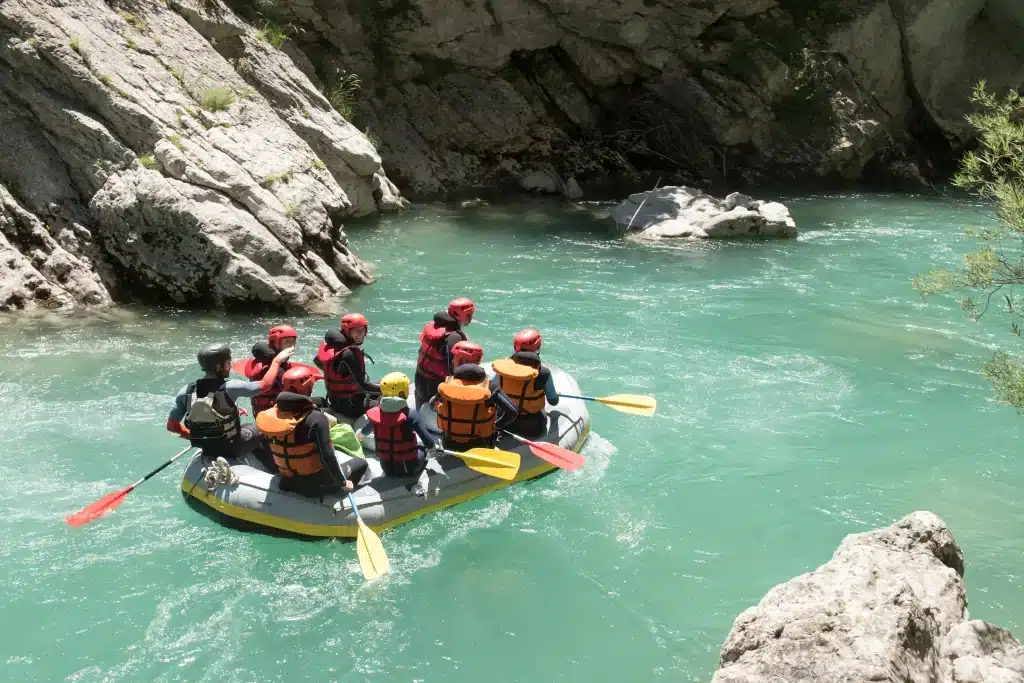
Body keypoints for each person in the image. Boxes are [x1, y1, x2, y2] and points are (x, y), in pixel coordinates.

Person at [166, 342, 294, 461]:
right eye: (228, 362)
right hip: (231, 446)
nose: (230, 366)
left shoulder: (186, 390)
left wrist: (192, 436)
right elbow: (265, 385)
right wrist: (277, 361)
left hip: (204, 446)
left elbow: (172, 426)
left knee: (245, 427)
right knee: (261, 428)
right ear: (219, 366)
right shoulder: (231, 387)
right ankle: (272, 465)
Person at [255, 364, 368, 498]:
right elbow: (328, 456)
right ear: (308, 388)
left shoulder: (270, 415)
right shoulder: (316, 419)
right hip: (315, 485)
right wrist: (342, 482)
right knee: (361, 464)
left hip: (286, 481)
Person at [361, 372, 441, 477]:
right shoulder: (411, 414)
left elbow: (363, 433)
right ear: (402, 392)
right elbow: (429, 442)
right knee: (422, 449)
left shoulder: (376, 413)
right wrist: (432, 449)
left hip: (386, 467)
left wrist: (359, 438)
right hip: (408, 468)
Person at [490, 329, 559, 438]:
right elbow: (553, 401)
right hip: (531, 426)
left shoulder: (503, 369)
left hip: (504, 421)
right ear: (538, 347)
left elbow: (492, 390)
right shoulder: (543, 373)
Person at [434, 363, 517, 451]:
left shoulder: (445, 390)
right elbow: (512, 412)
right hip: (481, 444)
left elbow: (433, 405)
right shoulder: (491, 389)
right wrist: (496, 426)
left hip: (449, 443)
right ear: (482, 379)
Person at [314, 313, 380, 419]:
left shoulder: (332, 345)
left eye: (363, 330)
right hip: (350, 405)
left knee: (381, 383)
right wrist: (388, 391)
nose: (361, 334)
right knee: (387, 401)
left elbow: (317, 360)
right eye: (357, 331)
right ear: (347, 330)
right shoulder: (349, 353)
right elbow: (364, 386)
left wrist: (336, 372)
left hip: (335, 399)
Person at [414, 297, 475, 408]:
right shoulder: (454, 337)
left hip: (419, 382)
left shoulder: (433, 326)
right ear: (466, 315)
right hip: (434, 388)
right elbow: (454, 370)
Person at [243, 325, 298, 417]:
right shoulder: (276, 367)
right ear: (275, 342)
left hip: (262, 413)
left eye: (293, 342)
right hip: (274, 416)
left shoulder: (263, 359)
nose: (291, 346)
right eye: (287, 341)